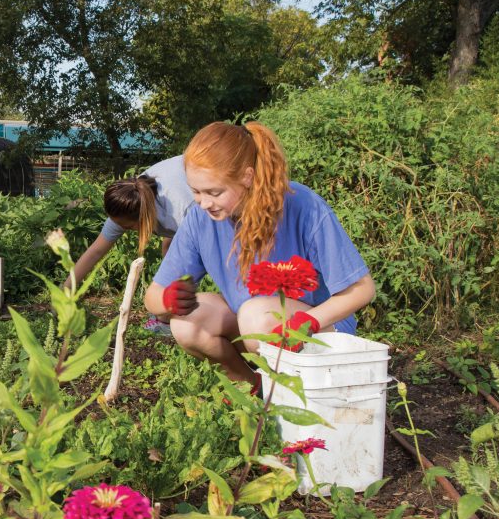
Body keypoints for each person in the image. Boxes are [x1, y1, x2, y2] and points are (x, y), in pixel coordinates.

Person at [144, 122, 376, 392]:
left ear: (247, 176)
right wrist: (168, 300)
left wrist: (308, 322)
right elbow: (152, 297)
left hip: (321, 331)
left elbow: (363, 289)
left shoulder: (302, 206)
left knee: (257, 316)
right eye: (195, 191)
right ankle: (253, 387)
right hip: (257, 327)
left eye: (214, 192)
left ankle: (296, 399)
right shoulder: (200, 218)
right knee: (187, 322)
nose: (204, 202)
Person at [67, 155, 195, 334]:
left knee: (176, 254)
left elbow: (199, 251)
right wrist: (64, 291)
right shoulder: (132, 198)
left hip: (216, 179)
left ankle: (177, 317)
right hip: (179, 190)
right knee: (170, 251)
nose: (123, 230)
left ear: (142, 219)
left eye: (127, 228)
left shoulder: (182, 210)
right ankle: (169, 316)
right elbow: (96, 251)